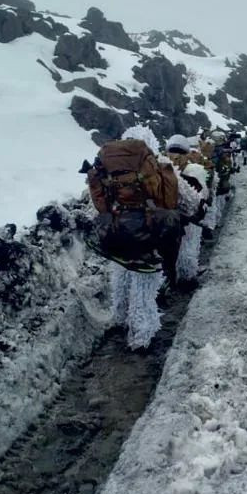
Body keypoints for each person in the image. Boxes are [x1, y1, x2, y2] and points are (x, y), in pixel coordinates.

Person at [86, 125, 181, 349]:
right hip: (146, 232)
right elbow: (168, 200)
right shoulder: (153, 164)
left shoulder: (108, 163)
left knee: (120, 276)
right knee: (144, 287)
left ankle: (119, 318)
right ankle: (141, 337)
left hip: (116, 231)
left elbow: (100, 202)